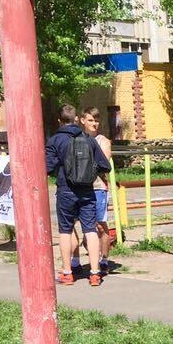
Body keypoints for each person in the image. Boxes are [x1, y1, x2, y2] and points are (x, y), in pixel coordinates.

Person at [45, 104, 110, 287]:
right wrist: (89, 171)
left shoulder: (55, 140)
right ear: (76, 119)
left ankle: (67, 273)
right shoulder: (88, 139)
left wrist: (61, 169)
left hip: (65, 191)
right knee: (90, 229)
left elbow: (47, 167)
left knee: (65, 231)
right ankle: (95, 273)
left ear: (59, 120)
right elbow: (105, 166)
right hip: (87, 191)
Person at [77, 107, 115, 273]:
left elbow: (103, 163)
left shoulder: (103, 141)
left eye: (96, 120)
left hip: (98, 187)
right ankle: (87, 258)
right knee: (84, 224)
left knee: (100, 224)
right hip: (80, 188)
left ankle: (104, 259)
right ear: (82, 120)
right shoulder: (77, 139)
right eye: (91, 120)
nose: (94, 123)